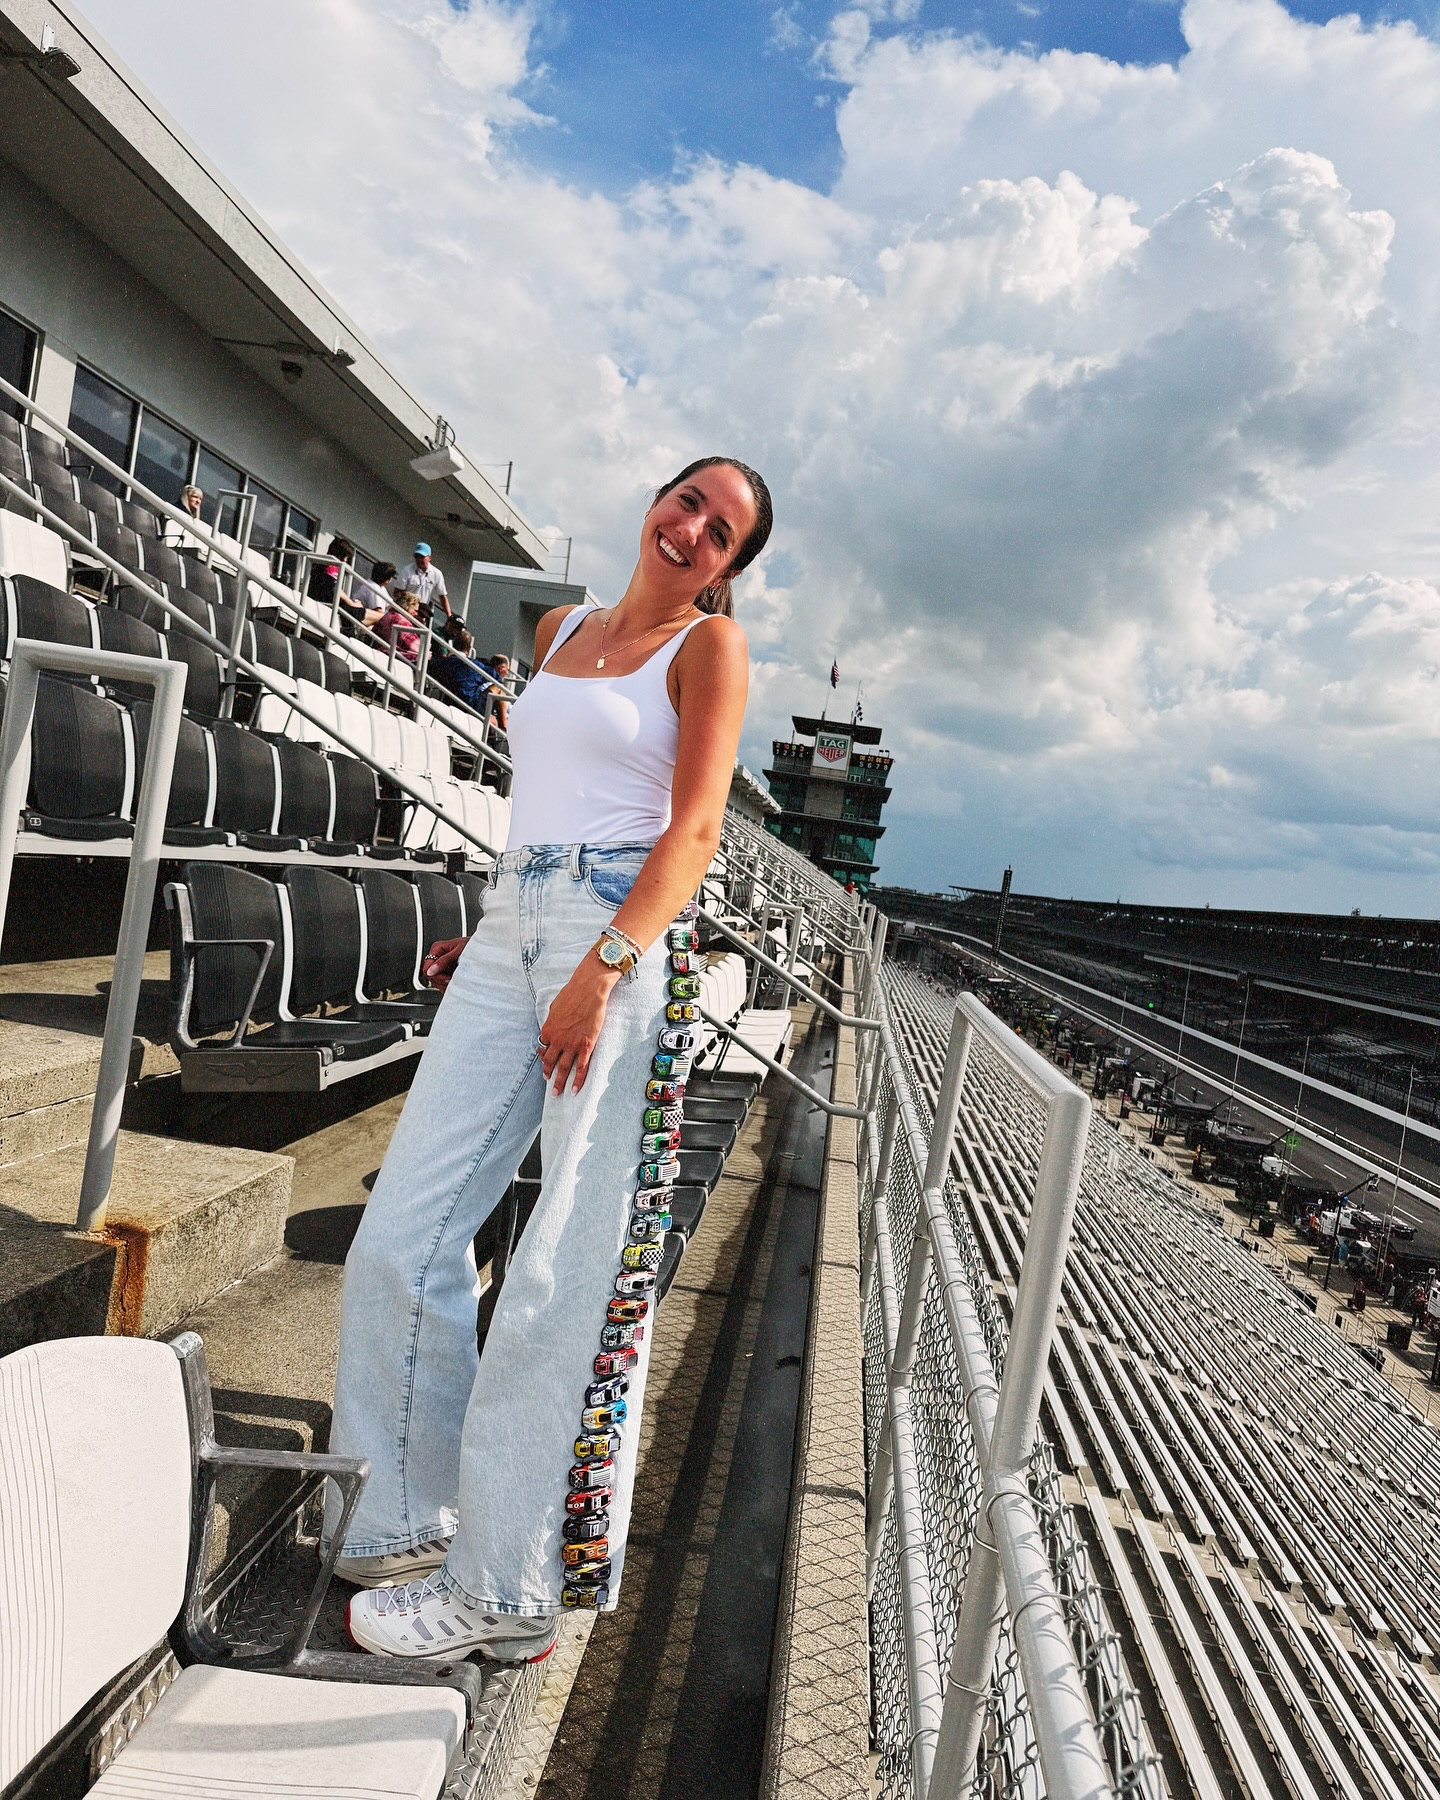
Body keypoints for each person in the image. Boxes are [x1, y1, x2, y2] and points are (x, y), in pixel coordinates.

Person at [331, 455, 771, 1665]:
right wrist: (500, 931)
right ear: (657, 501)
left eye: (722, 533)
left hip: (619, 937)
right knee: (405, 1234)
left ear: (730, 566)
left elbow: (691, 830)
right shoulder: (563, 624)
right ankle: (405, 1514)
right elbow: (547, 797)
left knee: (563, 1272)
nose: (693, 532)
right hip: (515, 920)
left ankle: (510, 1593)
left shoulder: (708, 651)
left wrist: (602, 965)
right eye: (689, 503)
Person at [395, 541, 451, 619]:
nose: (418, 559)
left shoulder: (437, 574)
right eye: (416, 556)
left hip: (421, 612)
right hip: (405, 610)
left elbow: (443, 596)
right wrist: (407, 607)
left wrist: (449, 616)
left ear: (430, 558)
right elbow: (397, 592)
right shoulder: (407, 570)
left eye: (421, 556)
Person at [341, 558, 395, 635]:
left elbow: (390, 605)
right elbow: (378, 611)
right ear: (387, 579)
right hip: (357, 620)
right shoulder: (373, 587)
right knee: (388, 620)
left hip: (366, 620)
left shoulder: (381, 587)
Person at [375, 588, 422, 664]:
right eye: (415, 610)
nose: (416, 614)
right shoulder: (401, 621)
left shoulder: (390, 615)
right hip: (389, 656)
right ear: (407, 606)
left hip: (384, 653)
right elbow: (417, 648)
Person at [163, 483, 206, 551]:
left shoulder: (193, 519)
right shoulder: (175, 511)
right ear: (186, 497)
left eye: (200, 499)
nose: (198, 501)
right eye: (195, 497)